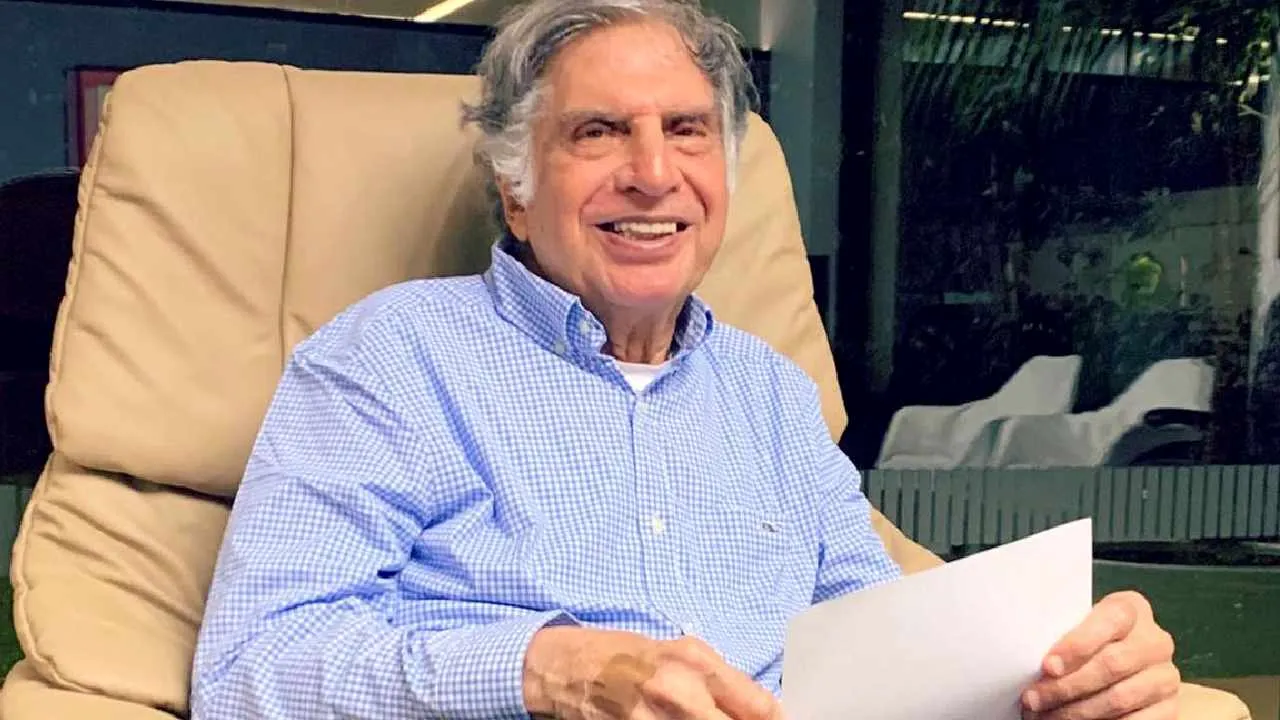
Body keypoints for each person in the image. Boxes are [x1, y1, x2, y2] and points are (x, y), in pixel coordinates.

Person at [190, 1, 1181, 718]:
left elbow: (878, 638)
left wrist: (1061, 669)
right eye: (598, 132)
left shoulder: (770, 390)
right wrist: (547, 671)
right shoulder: (390, 358)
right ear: (516, 189)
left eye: (687, 131)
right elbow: (249, 669)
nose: (654, 173)